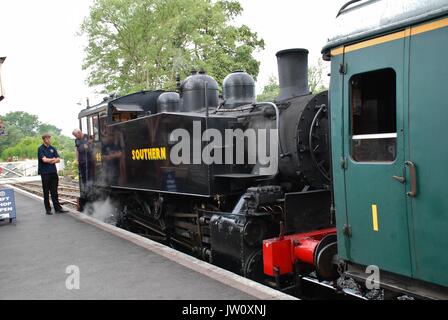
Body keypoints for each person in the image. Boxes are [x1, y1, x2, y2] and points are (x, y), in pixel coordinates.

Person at [37, 133, 68, 215]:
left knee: (54, 191)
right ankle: (48, 209)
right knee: (46, 191)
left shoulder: (53, 148)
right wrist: (52, 159)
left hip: (53, 172)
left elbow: (58, 159)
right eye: (47, 138)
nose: (49, 140)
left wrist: (51, 160)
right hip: (45, 173)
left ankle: (58, 208)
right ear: (44, 139)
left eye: (50, 138)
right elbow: (44, 160)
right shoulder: (40, 149)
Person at [72, 129, 93, 210]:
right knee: (83, 175)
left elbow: (93, 140)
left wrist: (88, 143)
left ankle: (89, 186)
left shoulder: (87, 136)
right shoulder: (76, 140)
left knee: (89, 174)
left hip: (89, 159)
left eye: (75, 135)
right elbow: (77, 150)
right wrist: (76, 159)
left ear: (79, 133)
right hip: (81, 160)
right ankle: (85, 188)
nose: (75, 137)